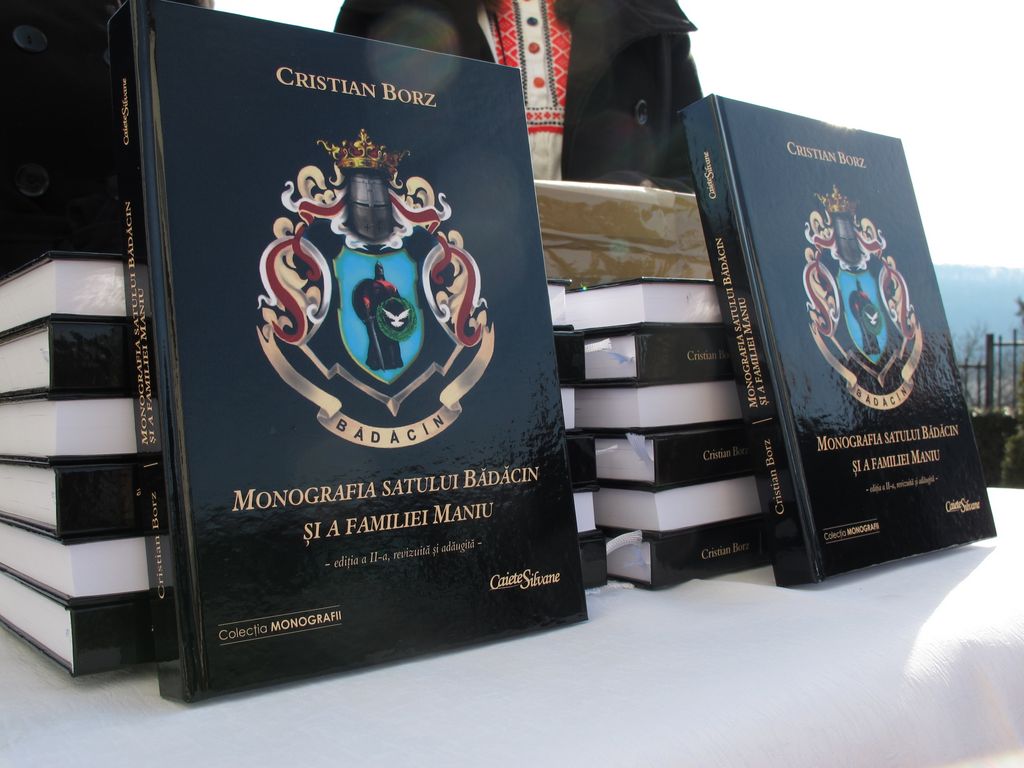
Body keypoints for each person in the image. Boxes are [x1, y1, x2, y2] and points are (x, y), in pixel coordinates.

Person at [335, 0, 703, 190]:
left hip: (614, 292)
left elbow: (702, 179)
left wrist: (640, 193)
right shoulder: (385, 11)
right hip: (451, 282)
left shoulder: (653, 21)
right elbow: (335, 155)